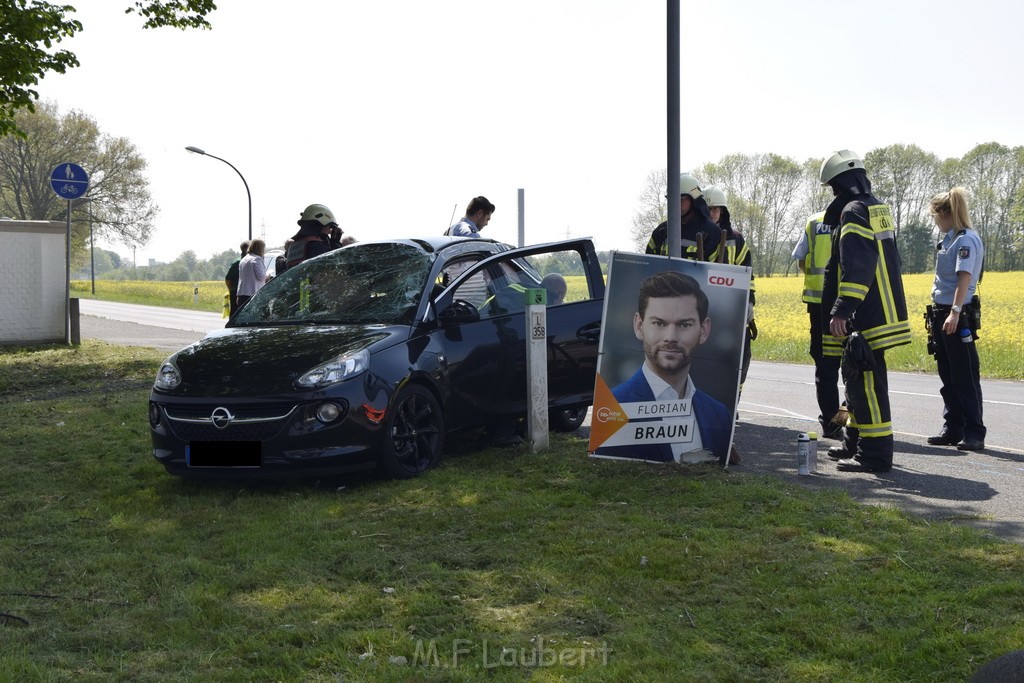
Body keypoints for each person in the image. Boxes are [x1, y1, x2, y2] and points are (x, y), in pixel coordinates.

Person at [819, 150, 911, 473]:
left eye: (833, 187)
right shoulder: (875, 208)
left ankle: (874, 455)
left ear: (842, 184)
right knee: (855, 383)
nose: (833, 194)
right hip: (878, 312)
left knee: (868, 387)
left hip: (866, 315)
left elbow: (857, 265)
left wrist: (843, 309)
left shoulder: (853, 211)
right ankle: (852, 442)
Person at [608, 270, 732, 463]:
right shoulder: (612, 407)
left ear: (704, 330)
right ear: (639, 326)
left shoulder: (719, 413)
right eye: (659, 323)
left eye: (684, 325)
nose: (671, 337)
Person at [925, 187, 986, 451]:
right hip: (942, 313)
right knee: (948, 374)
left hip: (956, 314)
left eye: (936, 216)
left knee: (964, 375)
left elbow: (964, 278)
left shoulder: (965, 240)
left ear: (946, 214)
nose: (935, 222)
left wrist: (955, 312)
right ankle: (953, 427)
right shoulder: (949, 239)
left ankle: (974, 432)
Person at [791, 211, 845, 439]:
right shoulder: (859, 217)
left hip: (818, 304)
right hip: (851, 302)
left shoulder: (814, 221)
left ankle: (832, 424)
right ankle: (848, 420)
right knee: (855, 367)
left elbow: (801, 259)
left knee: (825, 367)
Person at [704, 185, 756, 395]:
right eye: (707, 209)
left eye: (716, 209)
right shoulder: (694, 235)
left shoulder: (736, 239)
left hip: (732, 312)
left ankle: (733, 399)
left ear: (723, 211)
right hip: (704, 309)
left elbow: (747, 272)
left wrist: (750, 301)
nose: (712, 213)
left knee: (741, 358)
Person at [645, 173, 722, 261]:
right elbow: (648, 265)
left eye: (680, 199)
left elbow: (716, 271)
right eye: (671, 200)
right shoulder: (661, 231)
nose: (675, 204)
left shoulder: (712, 233)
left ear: (693, 200)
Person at [286, 203, 339, 269]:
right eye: (330, 226)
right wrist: (335, 243)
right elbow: (334, 267)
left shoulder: (294, 245)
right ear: (320, 224)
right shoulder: (317, 245)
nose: (330, 231)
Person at [236, 238, 267, 310]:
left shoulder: (244, 259)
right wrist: (268, 275)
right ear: (260, 248)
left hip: (242, 294)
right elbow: (261, 277)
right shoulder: (257, 259)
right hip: (253, 293)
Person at [224, 240, 250, 318]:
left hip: (245, 290)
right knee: (235, 313)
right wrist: (231, 289)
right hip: (236, 291)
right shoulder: (238, 263)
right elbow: (228, 278)